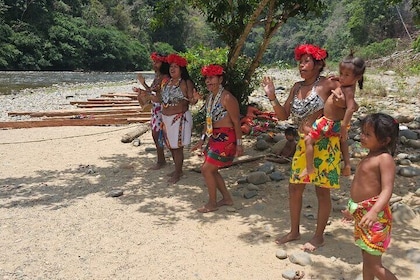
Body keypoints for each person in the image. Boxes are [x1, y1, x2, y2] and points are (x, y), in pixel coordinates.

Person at [262, 43, 340, 251]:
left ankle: (318, 236)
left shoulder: (328, 84)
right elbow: (283, 116)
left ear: (318, 64)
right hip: (303, 144)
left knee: (322, 191)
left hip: (324, 145)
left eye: (306, 61)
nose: (302, 65)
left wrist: (329, 119)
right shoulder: (297, 87)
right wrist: (272, 96)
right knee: (295, 187)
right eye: (300, 61)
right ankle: (294, 231)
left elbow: (348, 103)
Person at [342, 113, 399, 280]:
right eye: (362, 132)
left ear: (384, 140)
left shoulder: (384, 159)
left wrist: (374, 211)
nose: (362, 137)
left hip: (376, 218)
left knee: (374, 265)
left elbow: (387, 190)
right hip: (364, 215)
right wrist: (353, 210)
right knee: (367, 260)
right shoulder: (370, 155)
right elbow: (364, 188)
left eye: (368, 134)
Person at [299, 53, 366, 178]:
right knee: (343, 141)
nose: (342, 77)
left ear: (357, 77)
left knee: (308, 139)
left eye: (346, 75)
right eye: (341, 73)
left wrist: (344, 125)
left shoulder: (348, 90)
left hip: (329, 122)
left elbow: (351, 107)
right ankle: (347, 164)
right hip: (336, 123)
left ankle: (309, 168)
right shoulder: (349, 85)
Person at [191, 64, 244, 213]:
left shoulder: (227, 98)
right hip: (214, 137)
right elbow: (208, 120)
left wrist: (239, 144)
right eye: (207, 78)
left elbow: (236, 122)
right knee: (212, 170)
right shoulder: (210, 97)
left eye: (212, 78)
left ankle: (212, 203)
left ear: (220, 79)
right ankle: (226, 198)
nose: (208, 81)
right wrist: (202, 140)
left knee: (206, 169)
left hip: (227, 137)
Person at [160, 53, 195, 184]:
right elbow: (160, 98)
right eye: (171, 66)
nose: (172, 69)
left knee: (177, 147)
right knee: (171, 146)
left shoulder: (186, 83)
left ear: (181, 69)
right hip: (166, 118)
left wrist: (195, 99)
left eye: (175, 66)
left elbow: (191, 100)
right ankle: (178, 170)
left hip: (179, 118)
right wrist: (145, 95)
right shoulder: (166, 82)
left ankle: (177, 173)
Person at [133, 52, 170, 170]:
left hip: (162, 109)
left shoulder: (165, 78)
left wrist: (147, 93)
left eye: (157, 62)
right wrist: (143, 85)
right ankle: (161, 159)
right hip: (156, 109)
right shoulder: (158, 77)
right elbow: (151, 91)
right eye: (154, 62)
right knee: (156, 134)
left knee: (158, 134)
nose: (154, 64)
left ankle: (161, 160)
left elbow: (162, 96)